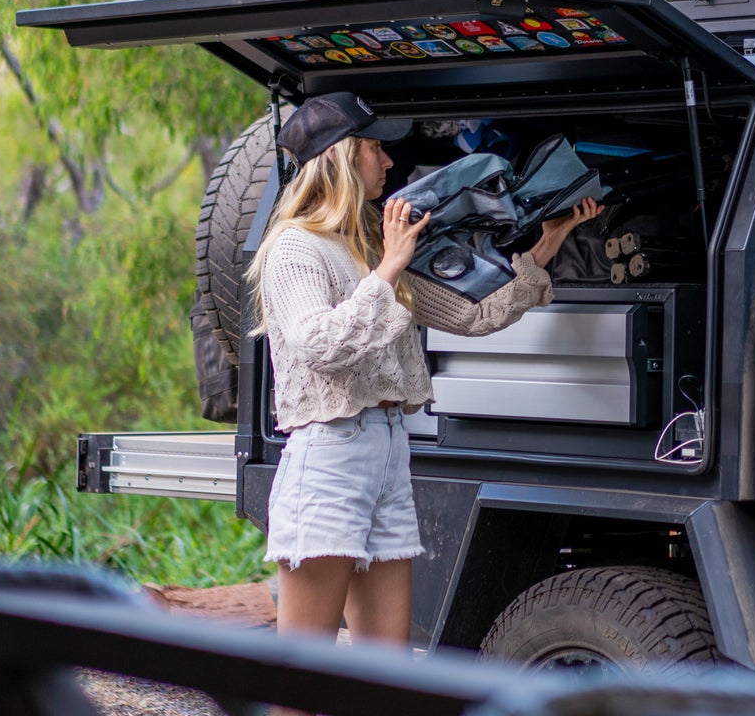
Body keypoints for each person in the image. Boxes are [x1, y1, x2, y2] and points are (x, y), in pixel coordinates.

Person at [246, 92, 600, 647]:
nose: (389, 162)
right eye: (375, 149)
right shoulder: (296, 249)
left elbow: (472, 316)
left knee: (386, 678)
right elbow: (322, 346)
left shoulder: (370, 247)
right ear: (340, 157)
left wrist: (547, 246)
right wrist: (389, 264)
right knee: (303, 679)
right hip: (329, 458)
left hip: (389, 454)